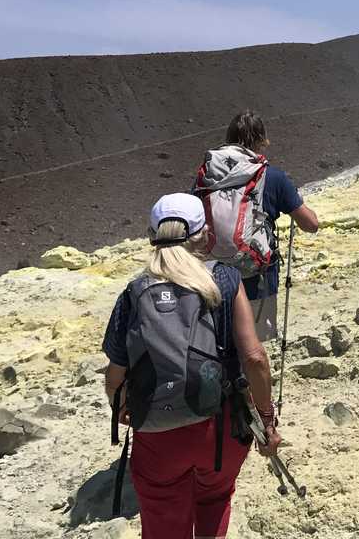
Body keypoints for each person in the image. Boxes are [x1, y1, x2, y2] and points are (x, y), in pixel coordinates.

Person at [103, 193, 281, 539]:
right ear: (205, 233)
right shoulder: (225, 281)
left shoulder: (133, 293)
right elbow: (255, 358)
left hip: (158, 436)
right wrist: (267, 420)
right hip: (221, 428)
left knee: (164, 519)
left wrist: (121, 405)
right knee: (214, 501)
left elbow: (115, 376)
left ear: (151, 236)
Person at [217, 110, 319, 342]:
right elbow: (310, 224)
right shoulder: (272, 177)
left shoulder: (208, 177)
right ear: (262, 141)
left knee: (219, 342)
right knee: (253, 346)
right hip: (256, 277)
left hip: (214, 277)